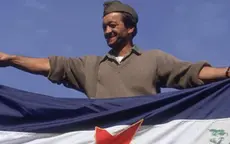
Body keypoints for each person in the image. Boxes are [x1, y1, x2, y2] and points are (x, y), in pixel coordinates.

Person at [0, 1, 229, 99]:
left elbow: (192, 73)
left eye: (113, 25)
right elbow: (50, 66)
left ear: (130, 28)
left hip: (144, 141)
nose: (107, 31)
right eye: (104, 27)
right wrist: (10, 59)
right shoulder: (90, 66)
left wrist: (226, 72)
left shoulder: (153, 59)